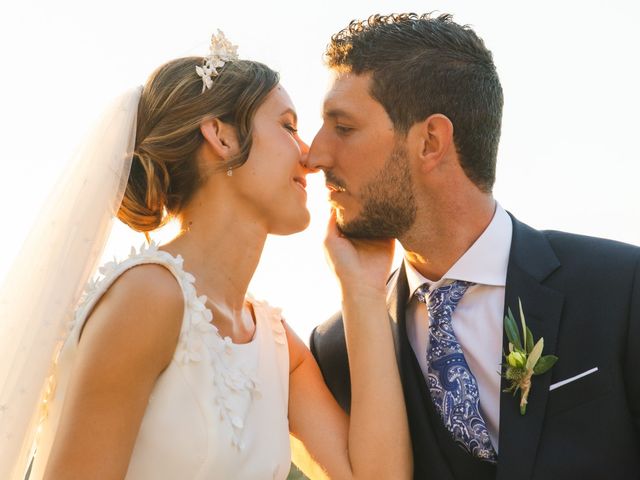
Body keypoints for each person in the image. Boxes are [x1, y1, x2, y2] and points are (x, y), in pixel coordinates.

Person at [0, 31, 411, 479]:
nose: (309, 155)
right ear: (222, 136)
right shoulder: (147, 298)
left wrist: (363, 292)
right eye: (288, 126)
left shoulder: (275, 344)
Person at [308, 13, 640, 479]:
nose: (314, 155)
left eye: (343, 128)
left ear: (430, 141)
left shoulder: (621, 287)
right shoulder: (337, 349)